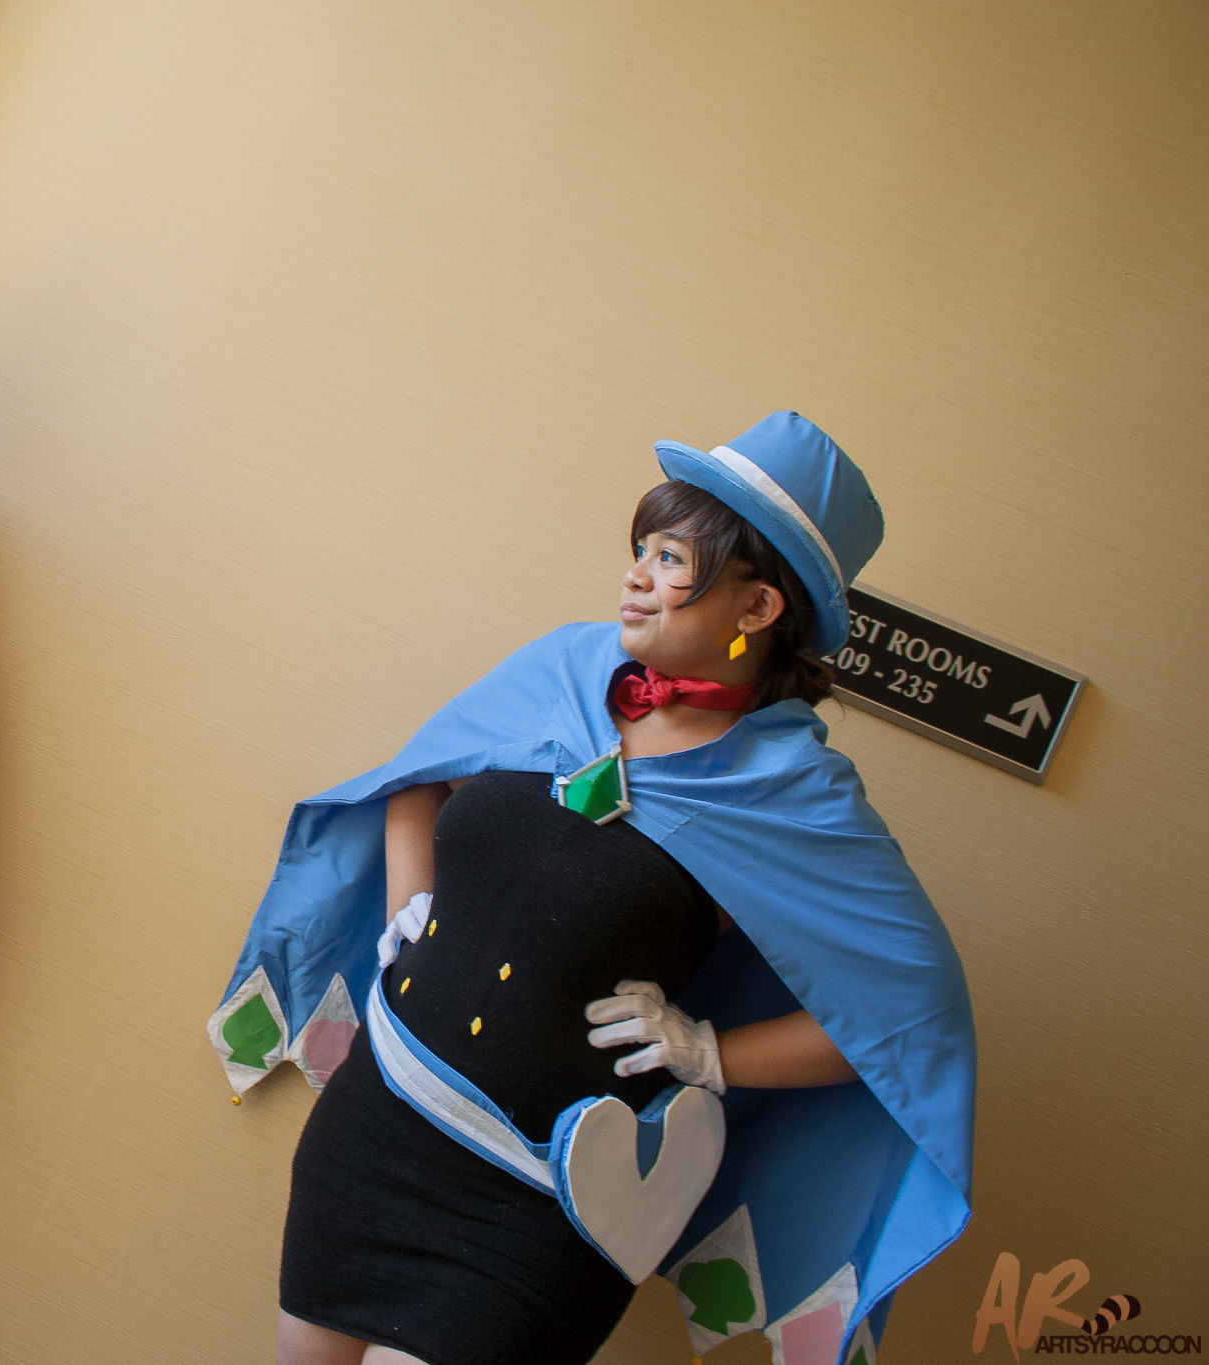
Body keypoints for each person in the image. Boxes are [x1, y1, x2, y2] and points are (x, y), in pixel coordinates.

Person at [211, 413, 975, 1365]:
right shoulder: (566, 668)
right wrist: (414, 905)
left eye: (671, 558)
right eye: (642, 549)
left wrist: (710, 1050)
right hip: (374, 1130)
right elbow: (419, 777)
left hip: (539, 1206)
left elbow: (911, 1020)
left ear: (756, 607)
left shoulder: (794, 794)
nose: (636, 575)